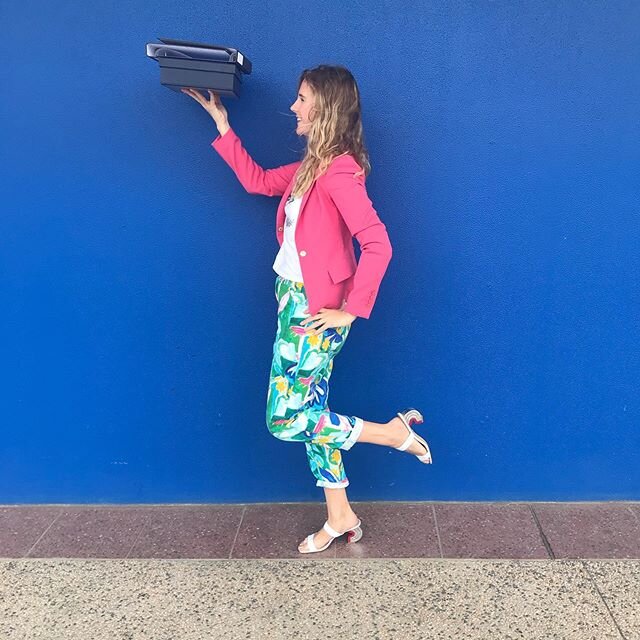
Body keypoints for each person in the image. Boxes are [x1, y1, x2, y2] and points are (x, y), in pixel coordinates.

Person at [181, 65, 432, 554]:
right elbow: (255, 182)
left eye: (301, 99)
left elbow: (378, 243)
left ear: (326, 108)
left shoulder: (339, 170)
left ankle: (390, 432)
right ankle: (340, 516)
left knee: (284, 418)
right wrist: (222, 124)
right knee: (311, 412)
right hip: (291, 301)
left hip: (314, 311)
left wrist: (351, 310)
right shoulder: (310, 168)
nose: (293, 107)